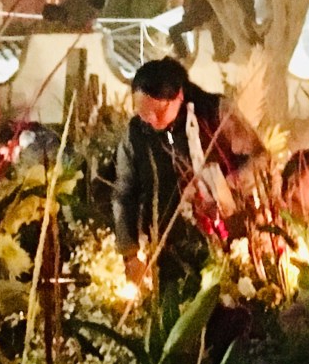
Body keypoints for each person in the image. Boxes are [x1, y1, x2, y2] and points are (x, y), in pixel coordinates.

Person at [112, 56, 261, 268]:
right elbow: (124, 191)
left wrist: (228, 184)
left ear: (179, 95)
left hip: (231, 240)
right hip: (168, 248)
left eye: (159, 111)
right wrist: (129, 252)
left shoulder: (214, 112)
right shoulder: (136, 133)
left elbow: (259, 158)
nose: (152, 120)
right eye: (144, 113)